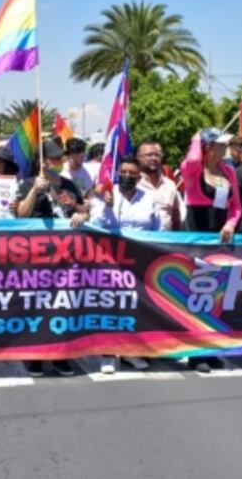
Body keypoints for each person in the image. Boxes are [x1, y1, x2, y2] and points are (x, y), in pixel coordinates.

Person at [15, 140, 87, 376]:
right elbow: (20, 214)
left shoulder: (68, 184)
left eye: (61, 158)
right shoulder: (27, 183)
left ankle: (60, 354)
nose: (60, 161)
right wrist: (35, 191)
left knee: (63, 304)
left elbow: (83, 210)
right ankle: (35, 354)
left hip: (65, 256)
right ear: (43, 161)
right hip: (36, 255)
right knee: (37, 304)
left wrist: (81, 215)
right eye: (55, 158)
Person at [180, 128, 242, 373]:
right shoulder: (193, 169)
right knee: (197, 293)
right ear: (208, 147)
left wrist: (230, 224)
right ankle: (196, 353)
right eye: (220, 144)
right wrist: (196, 139)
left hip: (219, 237)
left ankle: (211, 348)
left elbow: (236, 207)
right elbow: (193, 160)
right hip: (197, 234)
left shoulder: (228, 171)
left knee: (217, 294)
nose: (225, 148)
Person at [90, 155, 157, 374]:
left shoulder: (149, 198)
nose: (127, 176)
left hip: (139, 260)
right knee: (112, 305)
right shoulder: (106, 194)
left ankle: (129, 351)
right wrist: (107, 206)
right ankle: (108, 353)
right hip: (111, 260)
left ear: (139, 177)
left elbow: (158, 228)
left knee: (135, 305)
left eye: (132, 173)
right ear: (118, 174)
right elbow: (95, 224)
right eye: (124, 172)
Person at [136, 141, 182, 231]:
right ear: (138, 158)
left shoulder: (170, 185)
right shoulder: (134, 184)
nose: (154, 158)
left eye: (157, 155)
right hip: (139, 238)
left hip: (166, 238)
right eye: (149, 155)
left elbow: (176, 216)